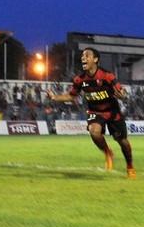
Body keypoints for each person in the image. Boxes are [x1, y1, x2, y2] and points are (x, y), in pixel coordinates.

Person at [47, 47, 136, 179]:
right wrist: (55, 98)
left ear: (95, 59)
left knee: (122, 141)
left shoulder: (107, 75)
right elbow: (72, 96)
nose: (83, 58)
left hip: (112, 111)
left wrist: (122, 95)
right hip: (95, 111)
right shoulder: (79, 79)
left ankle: (130, 166)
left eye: (87, 55)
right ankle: (108, 152)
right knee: (94, 131)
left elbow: (121, 91)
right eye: (82, 56)